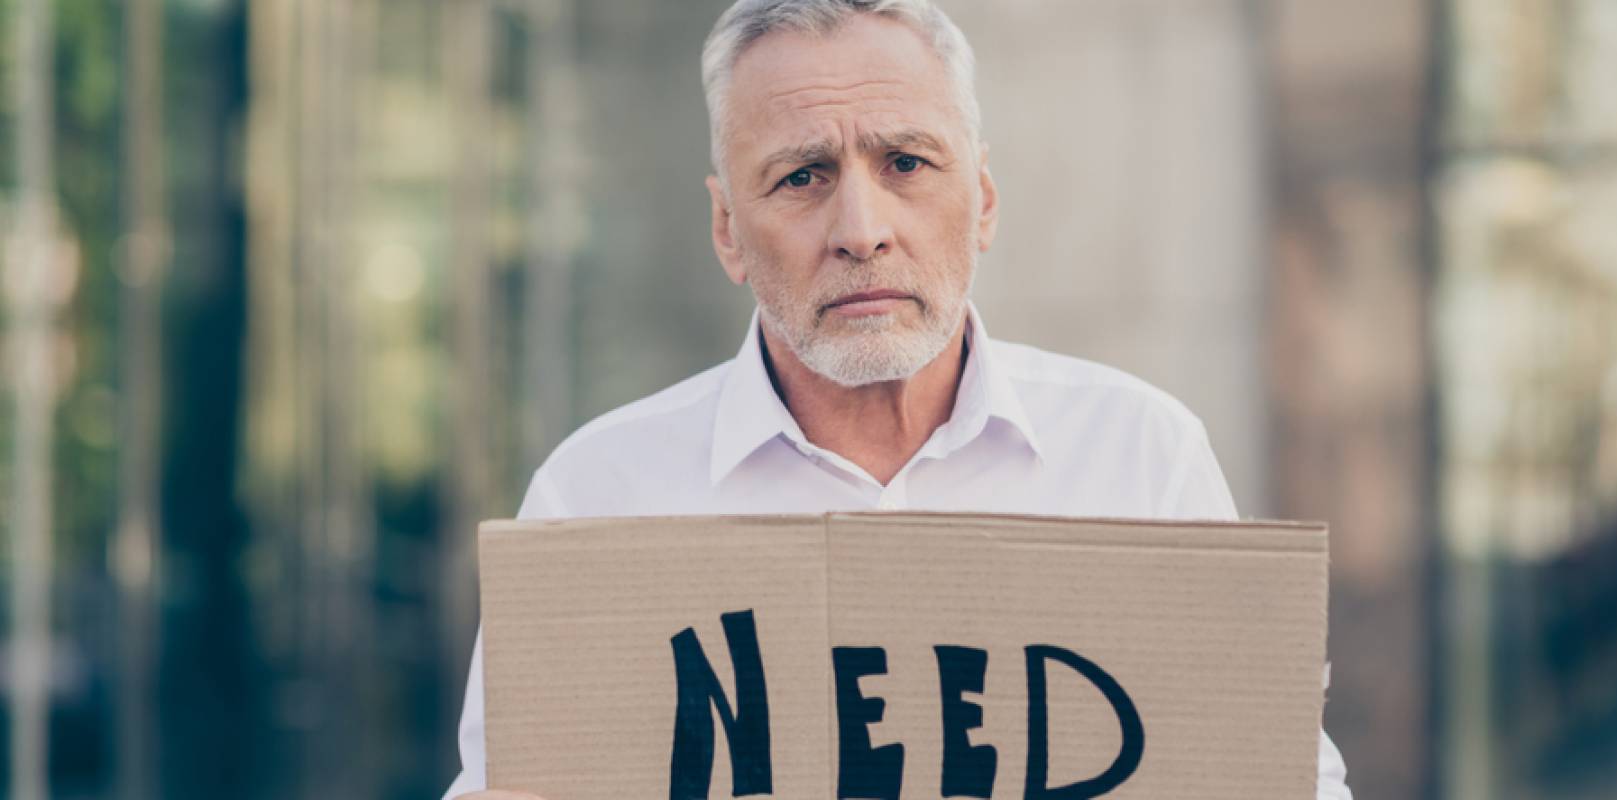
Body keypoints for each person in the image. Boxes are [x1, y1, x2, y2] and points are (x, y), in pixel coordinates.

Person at [446, 0, 1352, 797]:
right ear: (728, 230)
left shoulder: (1138, 457)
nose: (862, 230)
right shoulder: (598, 494)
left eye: (907, 163)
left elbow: (1278, 778)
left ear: (983, 201)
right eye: (802, 176)